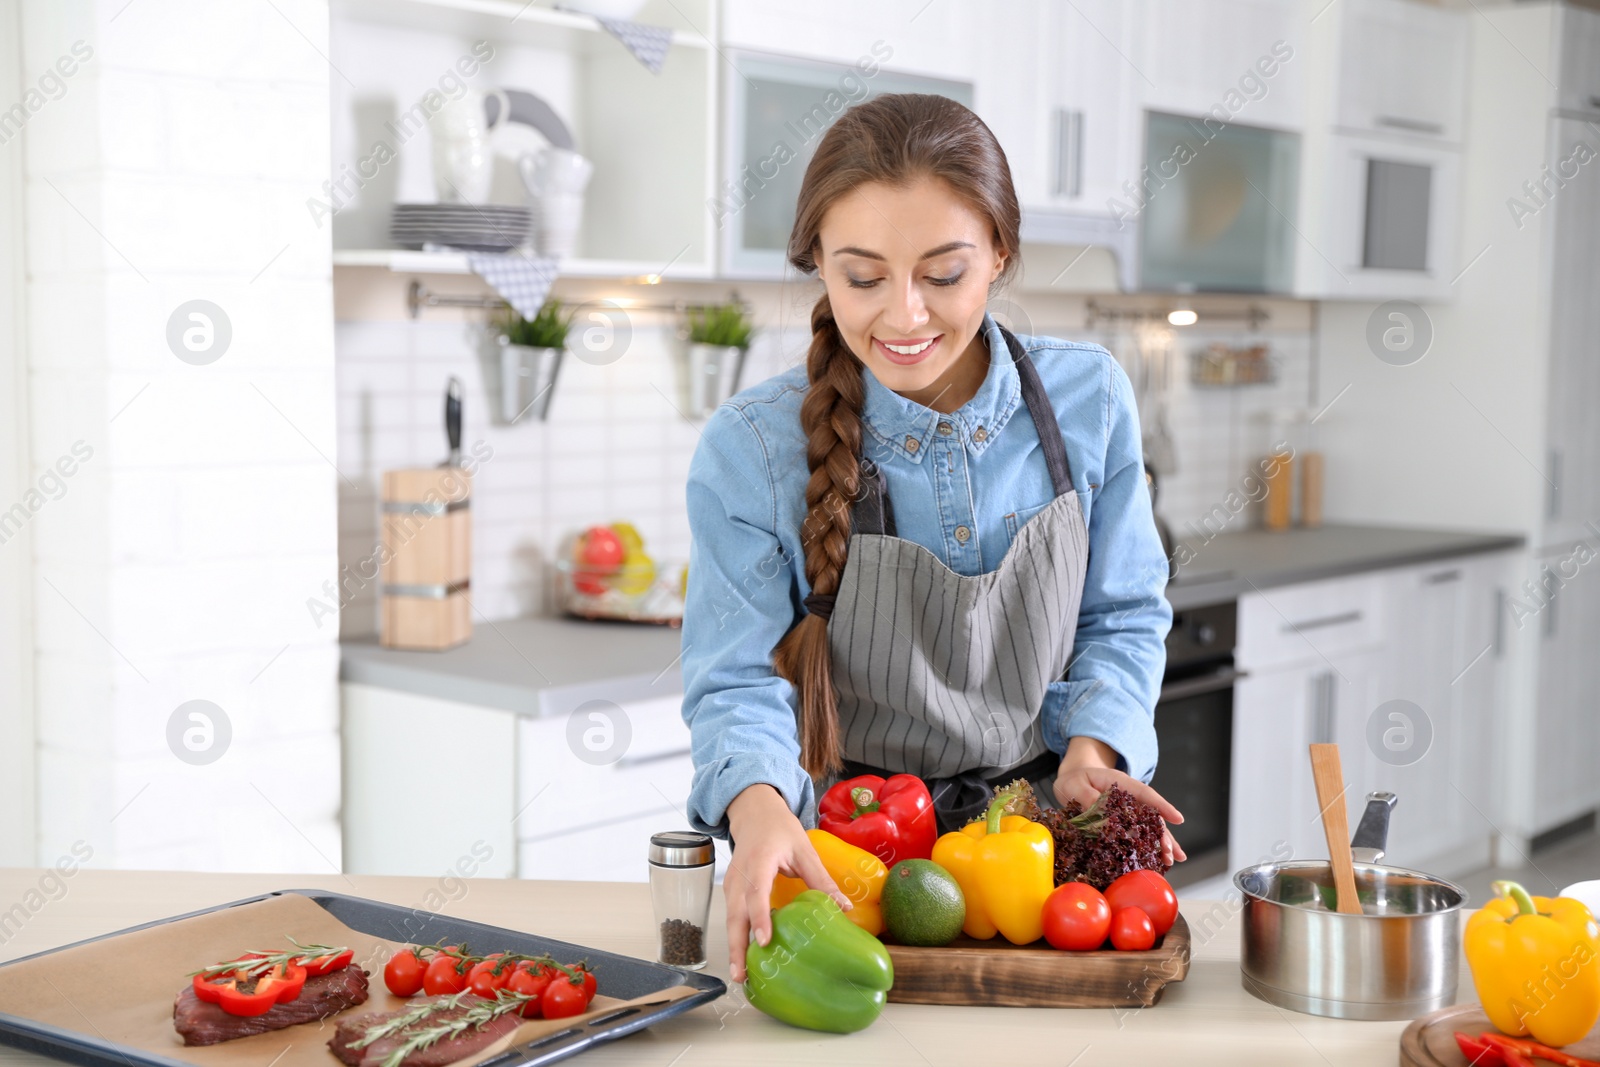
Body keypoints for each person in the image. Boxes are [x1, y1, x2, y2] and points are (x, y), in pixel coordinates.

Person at [679, 93, 1179, 981]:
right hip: (843, 861)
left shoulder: (1090, 399)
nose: (904, 316)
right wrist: (756, 802)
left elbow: (1124, 611)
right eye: (862, 278)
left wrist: (1096, 748)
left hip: (1036, 854)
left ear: (1000, 255)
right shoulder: (751, 447)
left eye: (943, 274)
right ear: (819, 268)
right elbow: (736, 673)